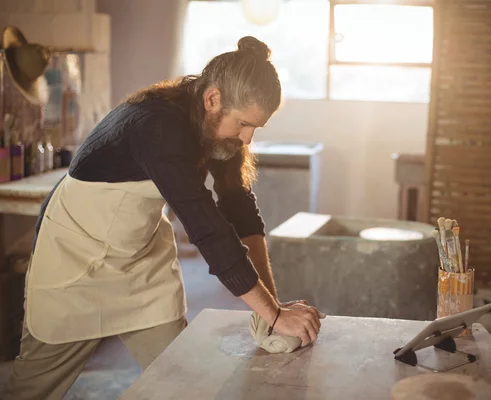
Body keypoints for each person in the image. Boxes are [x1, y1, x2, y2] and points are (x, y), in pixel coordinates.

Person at [4, 36, 323, 399]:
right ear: (213, 98)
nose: (247, 138)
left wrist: (273, 308)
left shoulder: (220, 130)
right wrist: (276, 316)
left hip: (140, 262)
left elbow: (240, 211)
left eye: (255, 128)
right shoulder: (156, 126)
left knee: (180, 380)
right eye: (244, 124)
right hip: (76, 257)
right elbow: (207, 229)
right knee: (32, 388)